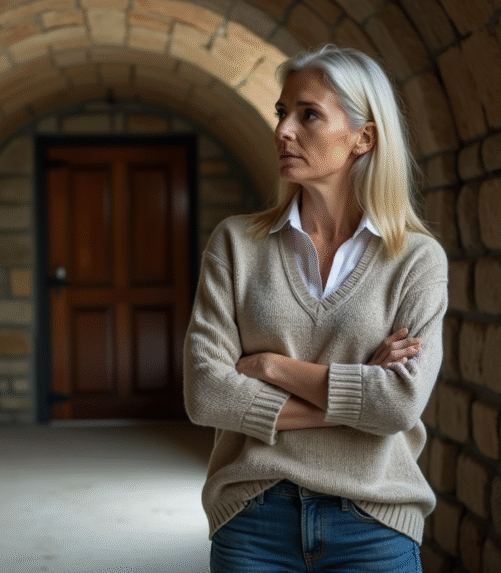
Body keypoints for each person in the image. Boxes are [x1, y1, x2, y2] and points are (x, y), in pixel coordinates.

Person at [183, 44, 447, 572]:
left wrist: (270, 367)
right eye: (282, 112)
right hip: (253, 516)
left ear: (363, 138)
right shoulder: (235, 244)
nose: (283, 130)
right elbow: (206, 394)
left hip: (374, 522)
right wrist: (356, 395)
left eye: (308, 115)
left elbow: (398, 405)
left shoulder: (416, 259)